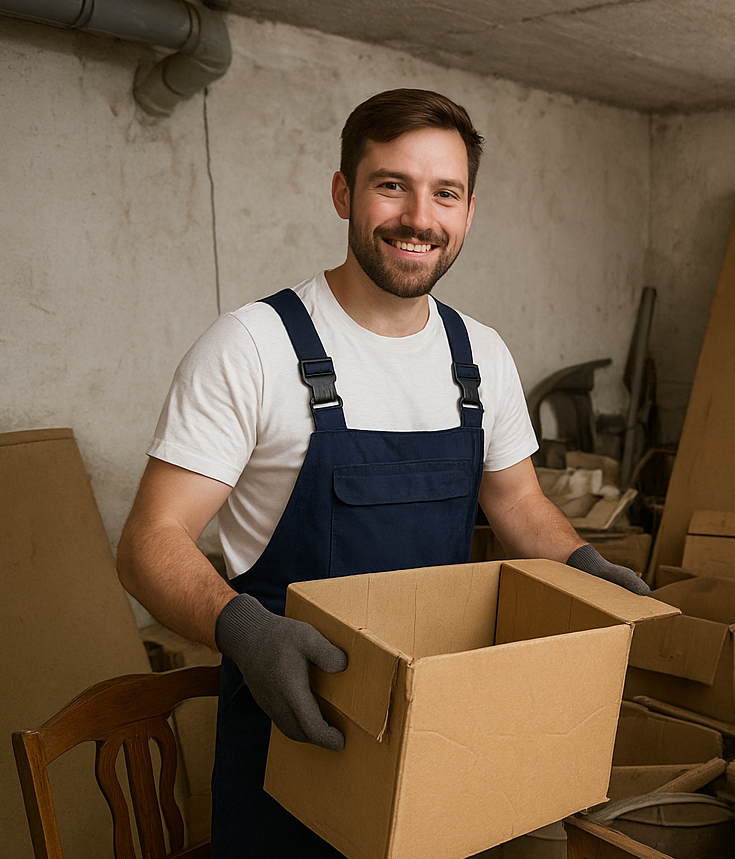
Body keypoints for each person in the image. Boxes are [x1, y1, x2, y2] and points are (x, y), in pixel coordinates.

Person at [116, 88, 649, 858]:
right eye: (391, 184)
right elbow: (147, 541)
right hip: (296, 745)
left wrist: (581, 564)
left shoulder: (480, 357)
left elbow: (519, 504)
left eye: (446, 193)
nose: (418, 217)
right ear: (344, 192)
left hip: (442, 736)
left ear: (468, 211)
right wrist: (242, 629)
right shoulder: (253, 347)